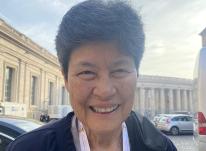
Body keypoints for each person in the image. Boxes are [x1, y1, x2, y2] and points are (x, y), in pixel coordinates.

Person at [7, 0, 177, 151]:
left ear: (137, 75)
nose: (104, 91)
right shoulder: (27, 148)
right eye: (87, 72)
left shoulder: (162, 147)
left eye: (119, 71)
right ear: (66, 79)